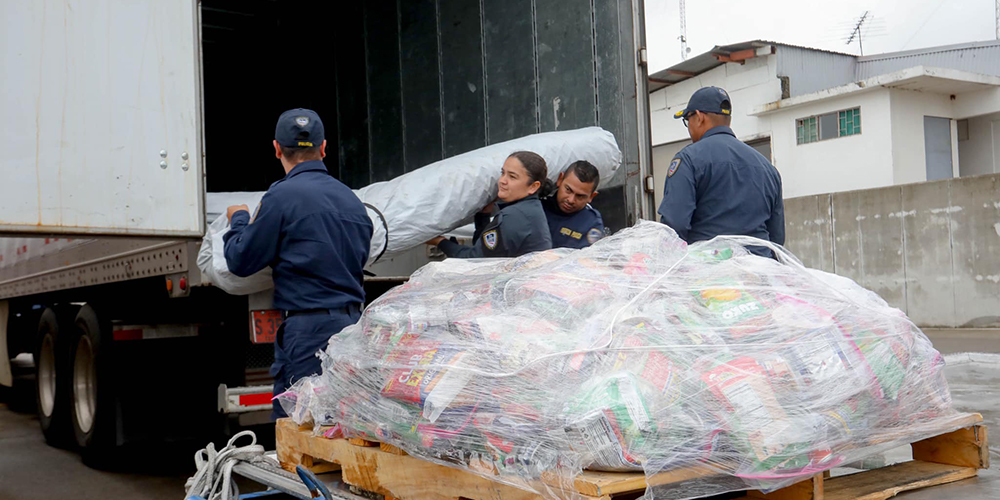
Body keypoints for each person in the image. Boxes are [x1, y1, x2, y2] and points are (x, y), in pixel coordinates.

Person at [223, 108, 373, 419]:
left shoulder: (281, 197)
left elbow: (240, 260)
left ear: (277, 148)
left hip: (308, 333)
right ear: (324, 148)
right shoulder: (352, 201)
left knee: (299, 425)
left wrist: (238, 220)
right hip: (353, 329)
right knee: (342, 425)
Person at [658, 86, 785, 257]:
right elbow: (777, 239)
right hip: (759, 269)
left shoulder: (689, 160)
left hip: (708, 270)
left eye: (688, 120)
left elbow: (674, 227)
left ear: (699, 117)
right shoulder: (767, 168)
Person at [428, 151, 553, 258]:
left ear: (533, 187)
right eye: (502, 173)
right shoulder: (530, 209)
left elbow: (476, 260)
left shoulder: (514, 216)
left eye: (512, 177)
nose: (502, 181)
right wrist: (484, 215)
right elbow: (486, 250)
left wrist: (440, 242)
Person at [543, 160, 605, 249]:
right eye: (568, 190)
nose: (571, 200)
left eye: (580, 196)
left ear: (591, 197)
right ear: (560, 180)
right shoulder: (540, 206)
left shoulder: (591, 223)